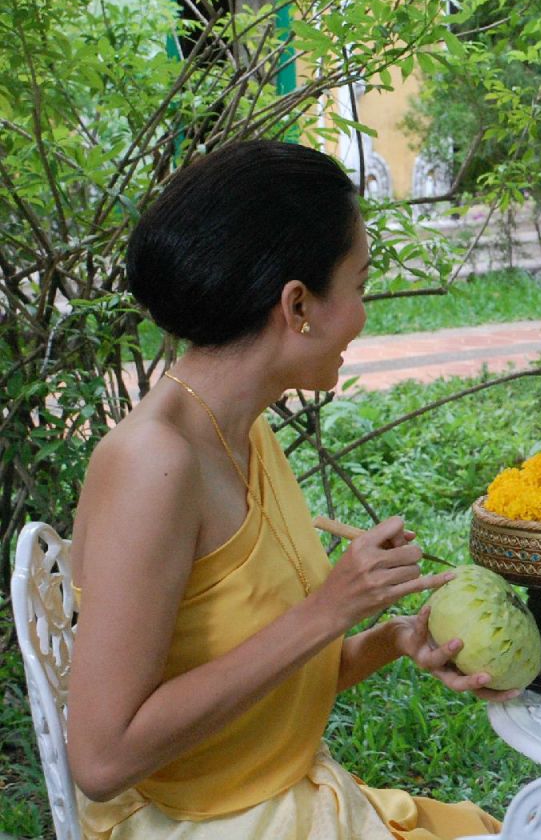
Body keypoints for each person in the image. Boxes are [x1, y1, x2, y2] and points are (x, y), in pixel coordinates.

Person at [65, 140, 509, 840]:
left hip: (289, 797)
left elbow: (253, 689)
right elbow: (101, 755)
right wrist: (331, 607)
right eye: (359, 286)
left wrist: (390, 638)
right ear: (297, 304)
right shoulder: (151, 465)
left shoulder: (242, 431)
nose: (364, 314)